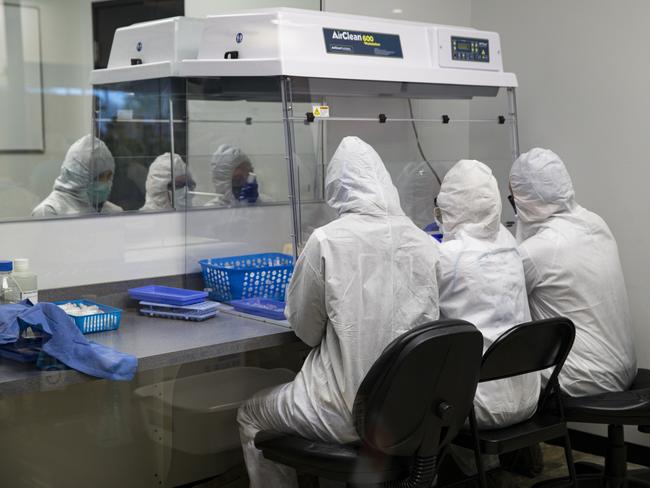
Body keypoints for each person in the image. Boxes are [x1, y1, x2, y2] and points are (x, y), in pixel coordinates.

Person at [237, 136, 440, 488]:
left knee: (250, 414)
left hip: (342, 412)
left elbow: (305, 330)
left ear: (337, 188)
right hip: (408, 412)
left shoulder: (327, 241)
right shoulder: (423, 241)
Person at [510, 148, 637, 397]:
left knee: (495, 373)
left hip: (583, 378)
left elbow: (503, 298)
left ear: (524, 198)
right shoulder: (595, 222)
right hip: (625, 368)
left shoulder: (539, 250)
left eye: (513, 198)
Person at [436, 159, 539, 429]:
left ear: (450, 204)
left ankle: (421, 471)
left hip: (474, 406)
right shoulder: (510, 246)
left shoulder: (448, 257)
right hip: (529, 398)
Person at [32, 135, 123, 217]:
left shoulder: (113, 211)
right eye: (99, 177)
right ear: (78, 176)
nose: (105, 184)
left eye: (108, 177)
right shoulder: (49, 211)